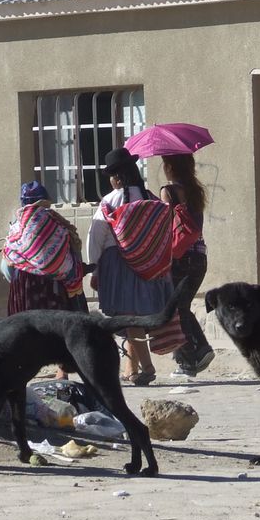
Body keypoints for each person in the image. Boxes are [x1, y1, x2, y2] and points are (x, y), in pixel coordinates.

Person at [87, 147, 173, 386]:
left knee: (130, 317)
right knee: (136, 316)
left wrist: (94, 268)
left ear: (116, 177)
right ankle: (132, 370)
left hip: (119, 264)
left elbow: (96, 238)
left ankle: (147, 367)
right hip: (149, 264)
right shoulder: (151, 198)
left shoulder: (110, 201)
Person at [3, 180, 88, 380]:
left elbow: (9, 255)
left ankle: (23, 371)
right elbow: (71, 248)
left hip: (25, 283)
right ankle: (62, 371)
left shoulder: (17, 225)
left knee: (25, 328)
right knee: (57, 327)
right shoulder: (57, 222)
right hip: (54, 283)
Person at [160, 153, 215, 379]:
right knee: (181, 305)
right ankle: (193, 356)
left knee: (174, 307)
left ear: (170, 167)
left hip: (179, 256)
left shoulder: (169, 191)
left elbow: (164, 223)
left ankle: (195, 353)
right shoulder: (195, 190)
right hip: (199, 256)